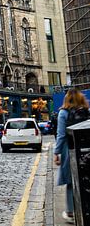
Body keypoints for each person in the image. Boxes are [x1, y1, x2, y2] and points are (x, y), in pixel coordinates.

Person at [55, 88, 90, 222]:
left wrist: (56, 153)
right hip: (87, 150)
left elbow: (61, 135)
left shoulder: (63, 113)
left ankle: (70, 212)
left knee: (71, 182)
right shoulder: (86, 111)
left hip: (69, 150)